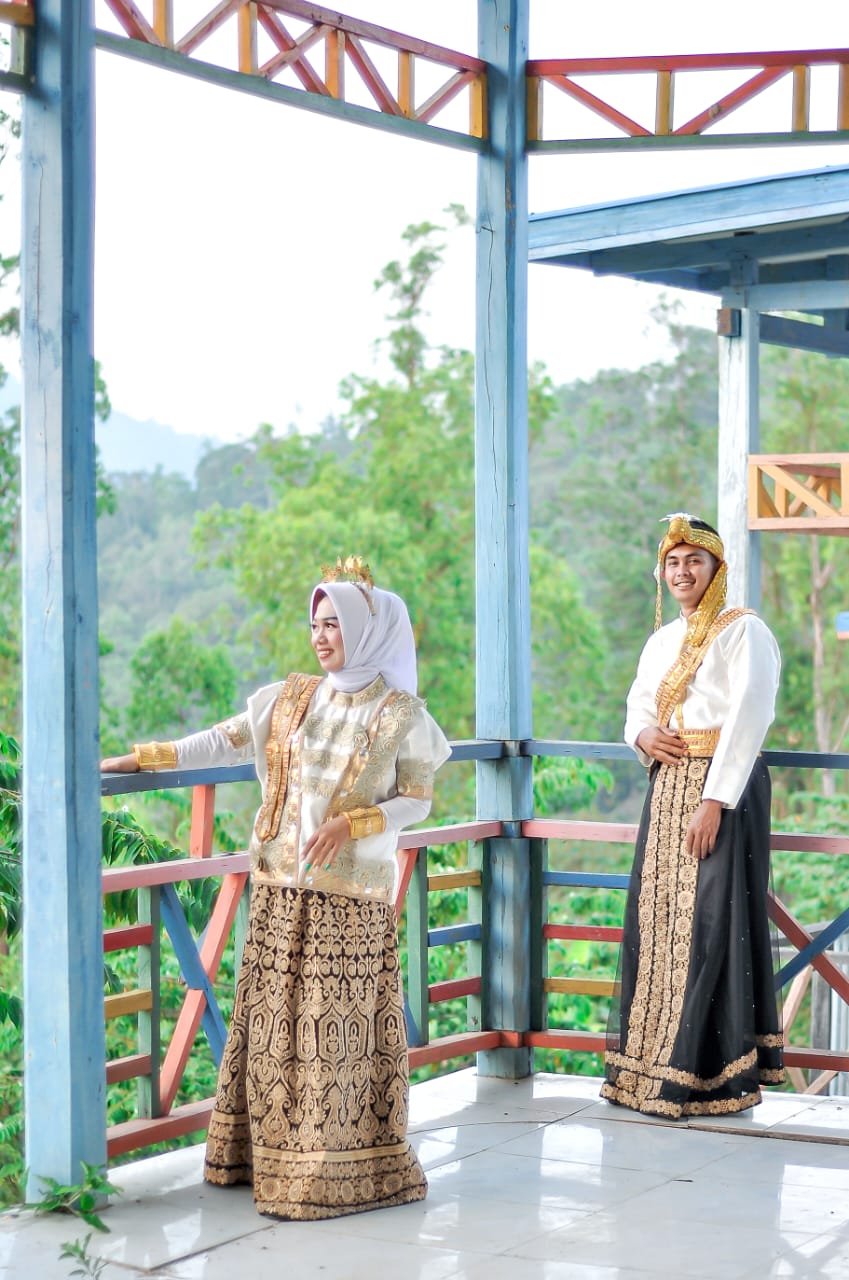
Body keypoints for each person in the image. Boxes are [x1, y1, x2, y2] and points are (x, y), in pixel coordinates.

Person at [102, 556, 451, 1220]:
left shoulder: (400, 714)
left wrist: (353, 823)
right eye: (315, 624)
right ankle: (258, 1158)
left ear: (368, 633)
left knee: (334, 1037)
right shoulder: (290, 699)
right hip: (279, 891)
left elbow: (418, 798)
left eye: (334, 625)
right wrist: (143, 758)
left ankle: (333, 1171)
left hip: (349, 901)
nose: (320, 637)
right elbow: (224, 740)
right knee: (271, 1029)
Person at [601, 514, 785, 1119]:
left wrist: (714, 800)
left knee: (712, 922)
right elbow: (637, 705)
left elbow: (751, 715)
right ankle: (650, 1066)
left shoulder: (743, 630)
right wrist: (642, 735)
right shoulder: (662, 641)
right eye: (672, 563)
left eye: (694, 562)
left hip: (721, 790)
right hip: (668, 786)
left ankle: (710, 1074)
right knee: (659, 921)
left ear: (715, 568)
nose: (682, 573)